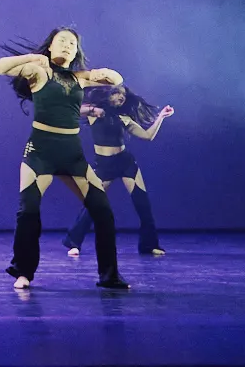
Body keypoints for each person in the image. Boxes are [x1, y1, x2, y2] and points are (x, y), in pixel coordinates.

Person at [0, 28, 130, 291]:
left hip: (72, 154)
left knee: (103, 211)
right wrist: (33, 58)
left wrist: (102, 74)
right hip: (40, 152)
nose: (67, 45)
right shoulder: (39, 71)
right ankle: (23, 271)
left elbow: (117, 79)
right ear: (50, 47)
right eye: (62, 41)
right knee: (28, 210)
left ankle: (109, 276)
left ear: (76, 52)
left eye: (72, 43)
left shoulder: (80, 78)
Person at [63, 85, 172, 258]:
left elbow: (147, 136)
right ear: (108, 95)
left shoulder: (124, 118)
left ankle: (149, 245)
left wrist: (161, 117)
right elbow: (72, 109)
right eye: (117, 93)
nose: (122, 97)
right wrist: (94, 109)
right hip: (105, 166)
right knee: (93, 205)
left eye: (124, 95)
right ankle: (73, 242)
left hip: (125, 162)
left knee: (142, 203)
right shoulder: (95, 113)